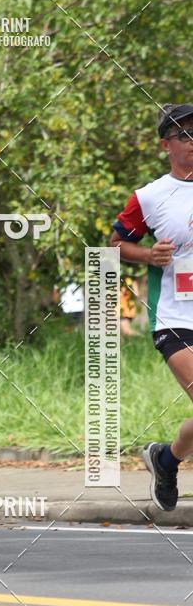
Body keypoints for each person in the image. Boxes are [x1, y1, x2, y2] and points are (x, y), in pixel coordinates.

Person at [110, 102, 193, 511]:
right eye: (185, 135)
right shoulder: (150, 196)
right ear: (166, 145)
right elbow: (114, 244)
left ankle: (166, 458)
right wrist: (148, 256)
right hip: (176, 317)